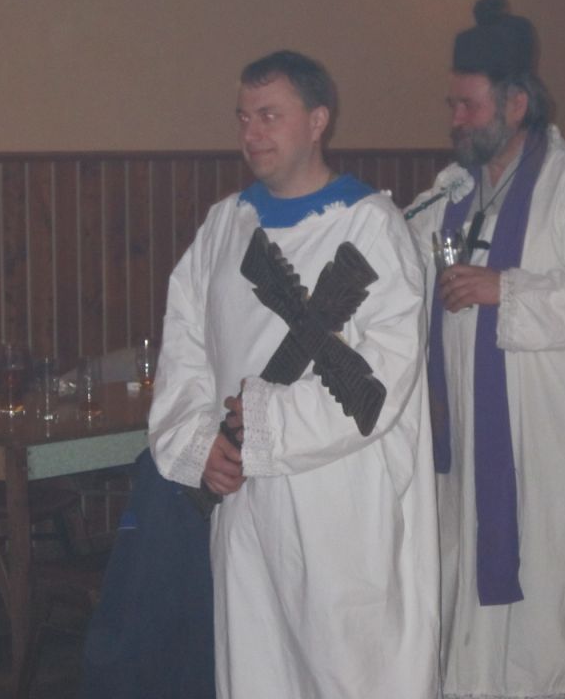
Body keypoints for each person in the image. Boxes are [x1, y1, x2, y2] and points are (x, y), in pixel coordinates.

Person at [147, 50, 439, 698]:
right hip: (245, 502)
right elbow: (184, 350)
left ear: (317, 121)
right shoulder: (225, 226)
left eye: (270, 116)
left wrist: (265, 422)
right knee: (258, 667)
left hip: (340, 500)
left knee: (347, 672)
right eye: (243, 117)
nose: (251, 133)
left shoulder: (371, 226)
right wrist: (202, 441)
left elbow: (384, 377)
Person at [406, 0, 565, 699]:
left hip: (547, 443)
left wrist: (505, 290)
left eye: (468, 105)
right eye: (451, 104)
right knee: (472, 588)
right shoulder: (455, 194)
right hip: (471, 440)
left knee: (551, 608)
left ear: (516, 104)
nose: (455, 119)